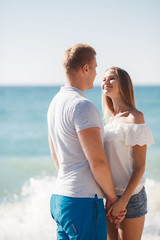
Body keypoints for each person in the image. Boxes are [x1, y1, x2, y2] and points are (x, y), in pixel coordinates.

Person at [47, 44, 124, 240]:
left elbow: (55, 154)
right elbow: (97, 161)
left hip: (60, 199)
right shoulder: (82, 106)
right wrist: (112, 198)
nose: (96, 73)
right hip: (83, 202)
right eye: (95, 67)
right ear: (85, 68)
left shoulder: (55, 103)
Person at [101, 66, 155, 240]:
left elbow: (140, 167)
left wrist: (123, 201)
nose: (105, 82)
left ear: (123, 83)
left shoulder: (135, 117)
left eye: (111, 78)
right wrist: (111, 199)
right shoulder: (109, 121)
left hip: (130, 197)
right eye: (103, 79)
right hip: (110, 197)